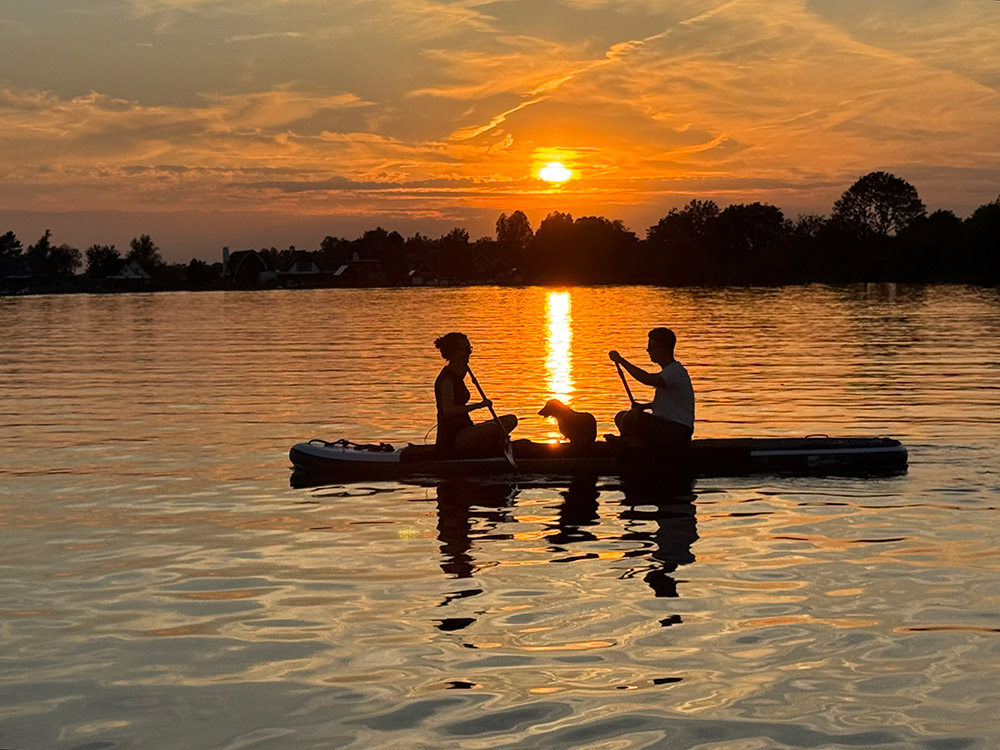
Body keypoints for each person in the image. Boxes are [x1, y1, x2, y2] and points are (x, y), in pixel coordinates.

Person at [608, 327, 694, 452]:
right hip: (665, 427)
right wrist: (644, 407)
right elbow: (668, 404)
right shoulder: (669, 372)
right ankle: (636, 443)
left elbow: (648, 379)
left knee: (632, 417)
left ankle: (628, 445)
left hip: (677, 432)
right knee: (621, 417)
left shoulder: (675, 371)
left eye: (651, 346)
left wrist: (622, 361)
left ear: (662, 348)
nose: (648, 350)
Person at [434, 332, 517, 455]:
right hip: (453, 437)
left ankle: (493, 445)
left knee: (511, 420)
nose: (469, 353)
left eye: (470, 349)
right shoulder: (446, 379)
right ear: (454, 352)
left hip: (466, 428)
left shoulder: (459, 374)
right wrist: (479, 405)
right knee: (494, 428)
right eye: (466, 349)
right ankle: (493, 449)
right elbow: (448, 410)